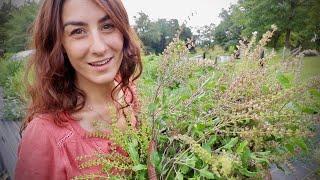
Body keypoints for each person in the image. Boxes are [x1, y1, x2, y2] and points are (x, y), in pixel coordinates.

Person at [15, 0, 142, 179]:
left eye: (108, 25)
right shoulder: (44, 137)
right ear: (60, 44)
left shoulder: (130, 94)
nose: (99, 47)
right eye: (78, 31)